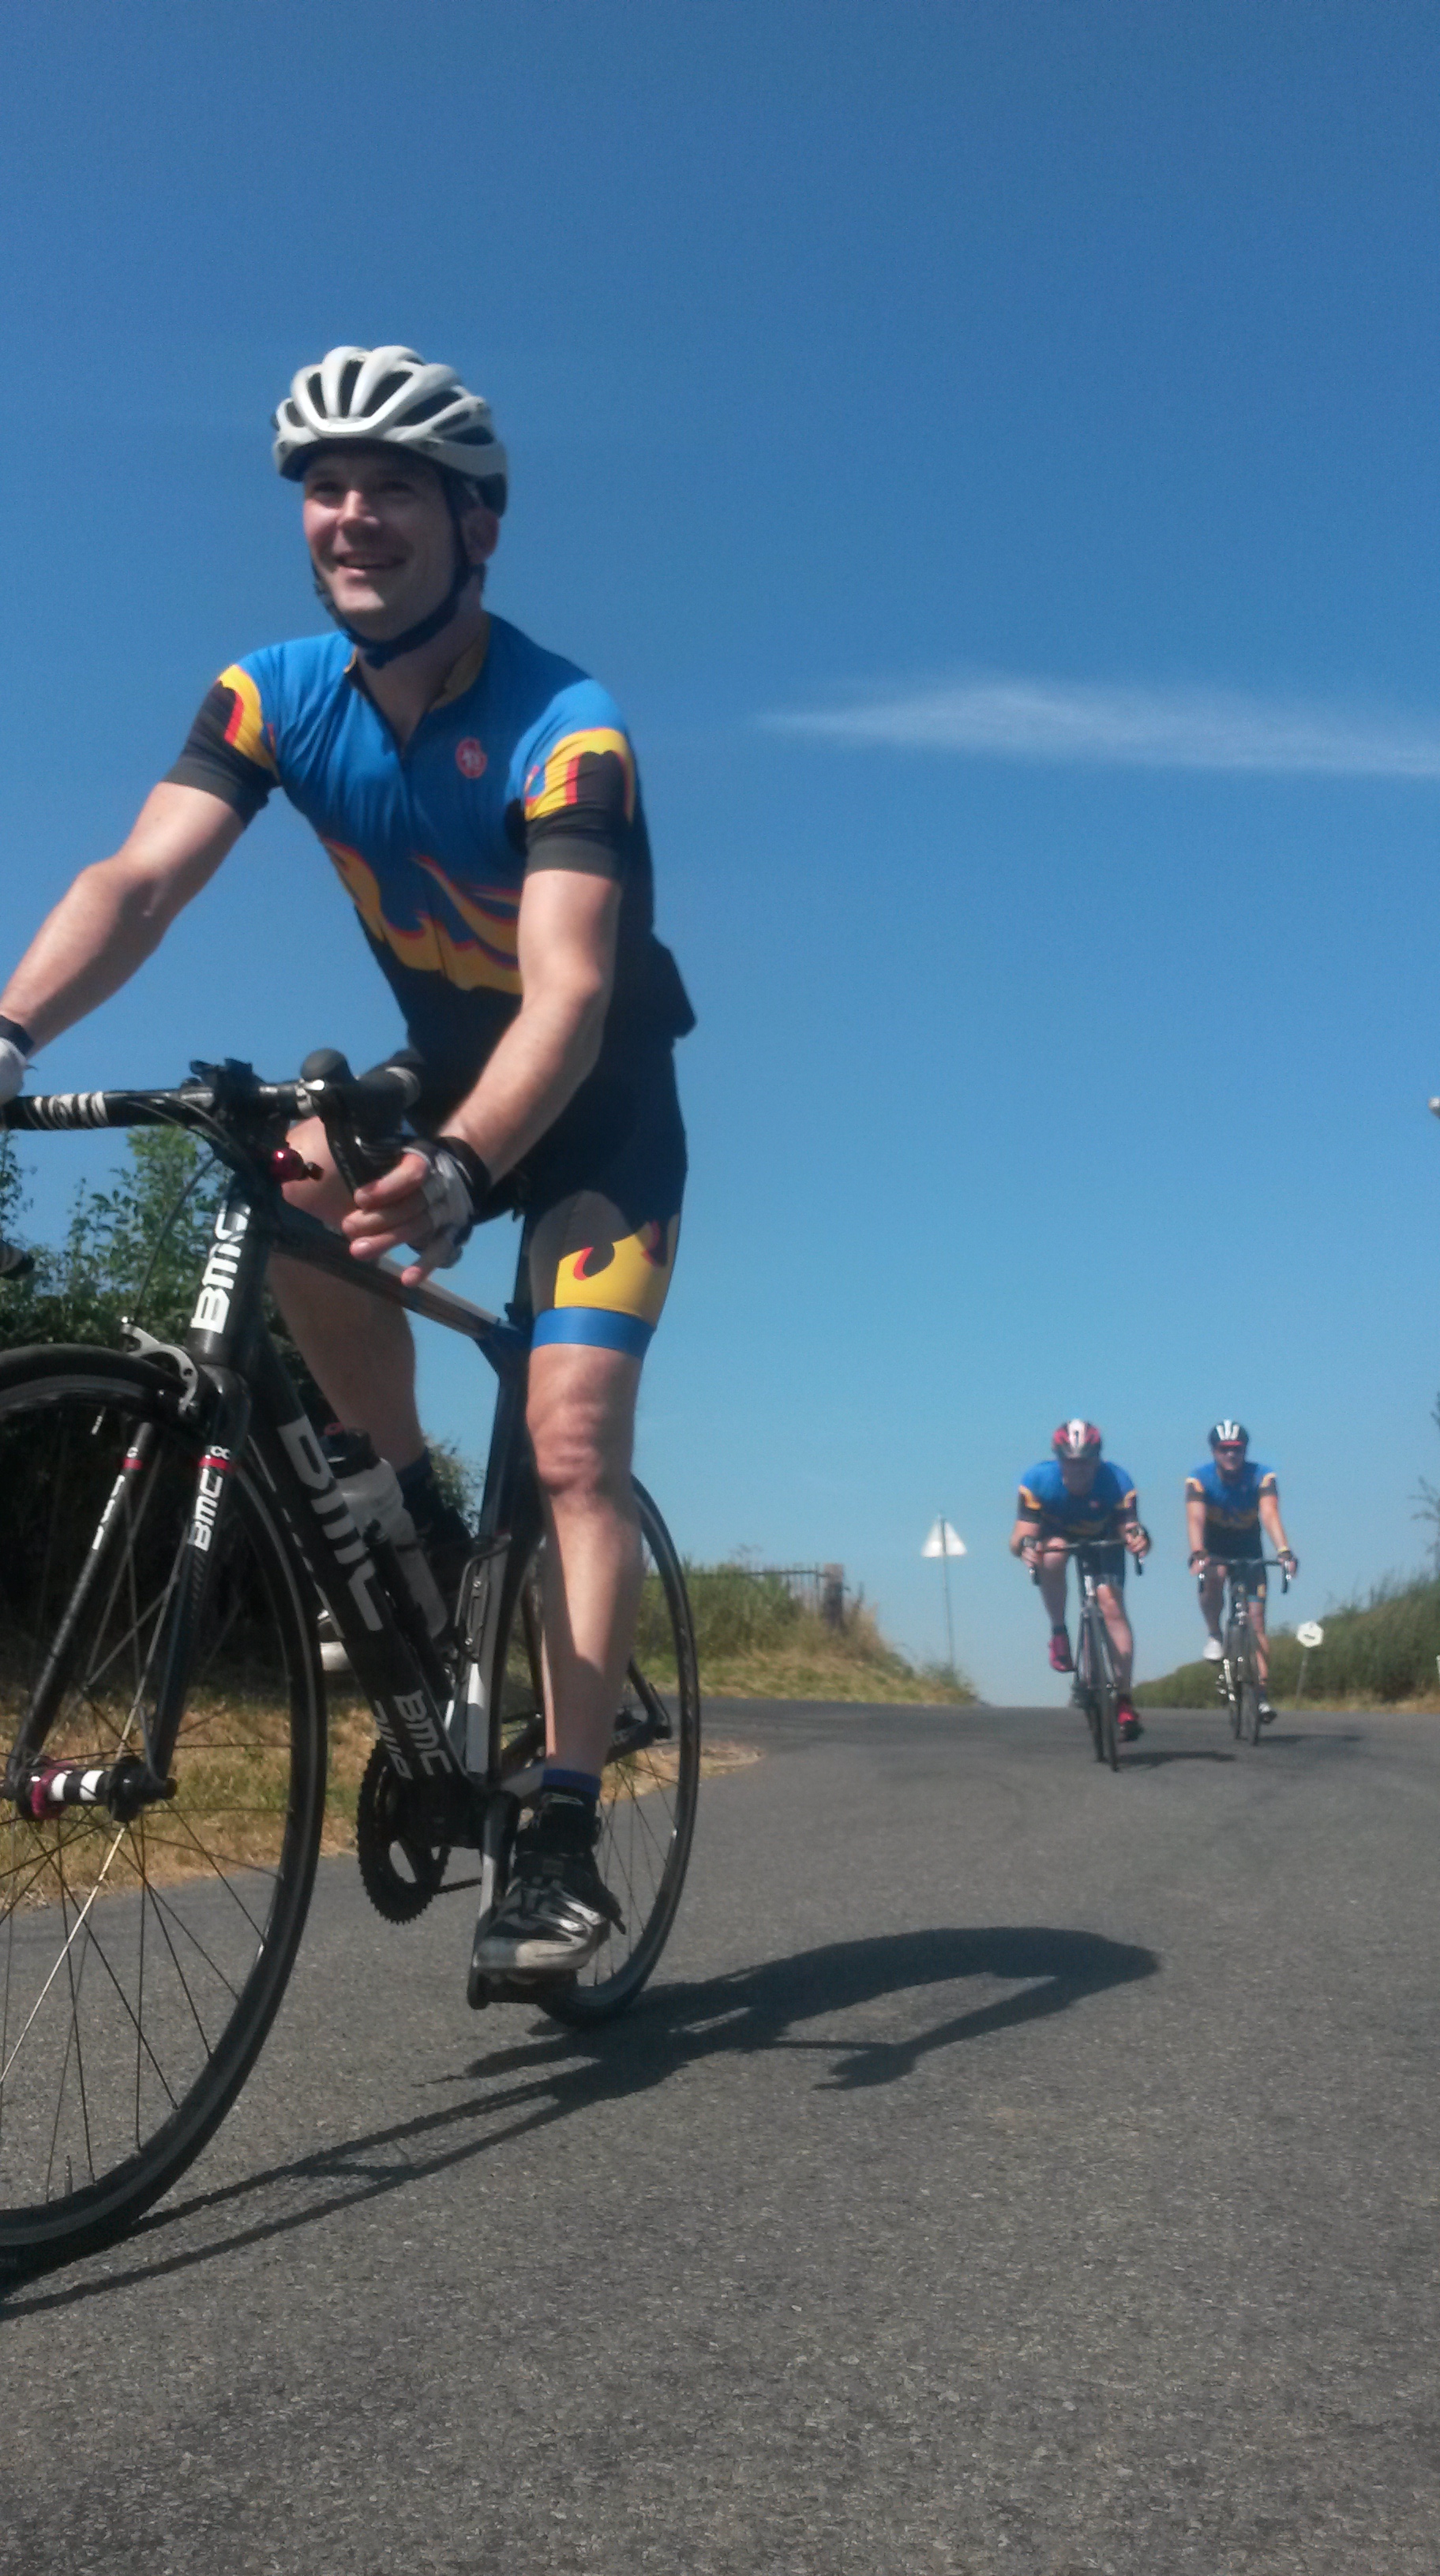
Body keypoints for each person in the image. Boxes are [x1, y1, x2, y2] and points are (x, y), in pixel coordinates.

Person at [0, 343, 694, 1979]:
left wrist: (460, 1166)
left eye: (395, 487)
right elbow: (140, 881)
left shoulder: (568, 726)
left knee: (572, 1442)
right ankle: (420, 1529)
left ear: (479, 528)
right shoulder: (272, 695)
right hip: (437, 1069)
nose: (353, 514)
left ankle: (557, 1829)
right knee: (289, 1172)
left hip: (594, 1105)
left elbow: (570, 995)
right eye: (326, 487)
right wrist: (13, 1026)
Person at [1009, 1419, 1150, 1741]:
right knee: (1053, 1554)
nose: (1079, 1470)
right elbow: (1019, 1537)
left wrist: (1139, 1538)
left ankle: (1124, 1698)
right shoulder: (1038, 1481)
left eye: (1086, 1462)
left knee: (1112, 1604)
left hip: (1104, 1538)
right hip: (1056, 1536)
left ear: (1098, 1460)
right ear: (1059, 1460)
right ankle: (1059, 1630)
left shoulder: (1117, 1481)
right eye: (1071, 1463)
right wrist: (1026, 1547)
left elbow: (1129, 1527)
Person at [1186, 1421, 1297, 1722]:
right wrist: (1197, 1551)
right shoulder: (1200, 1479)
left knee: (1257, 1622)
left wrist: (1283, 1550)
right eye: (1224, 1450)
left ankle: (1261, 1696)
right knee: (1214, 1575)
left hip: (1249, 1548)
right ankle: (1214, 1633)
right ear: (1214, 1452)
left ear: (1245, 1451)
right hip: (1215, 1545)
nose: (1231, 1455)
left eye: (1237, 1449)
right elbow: (1195, 1518)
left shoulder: (1261, 1476)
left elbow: (1270, 1514)